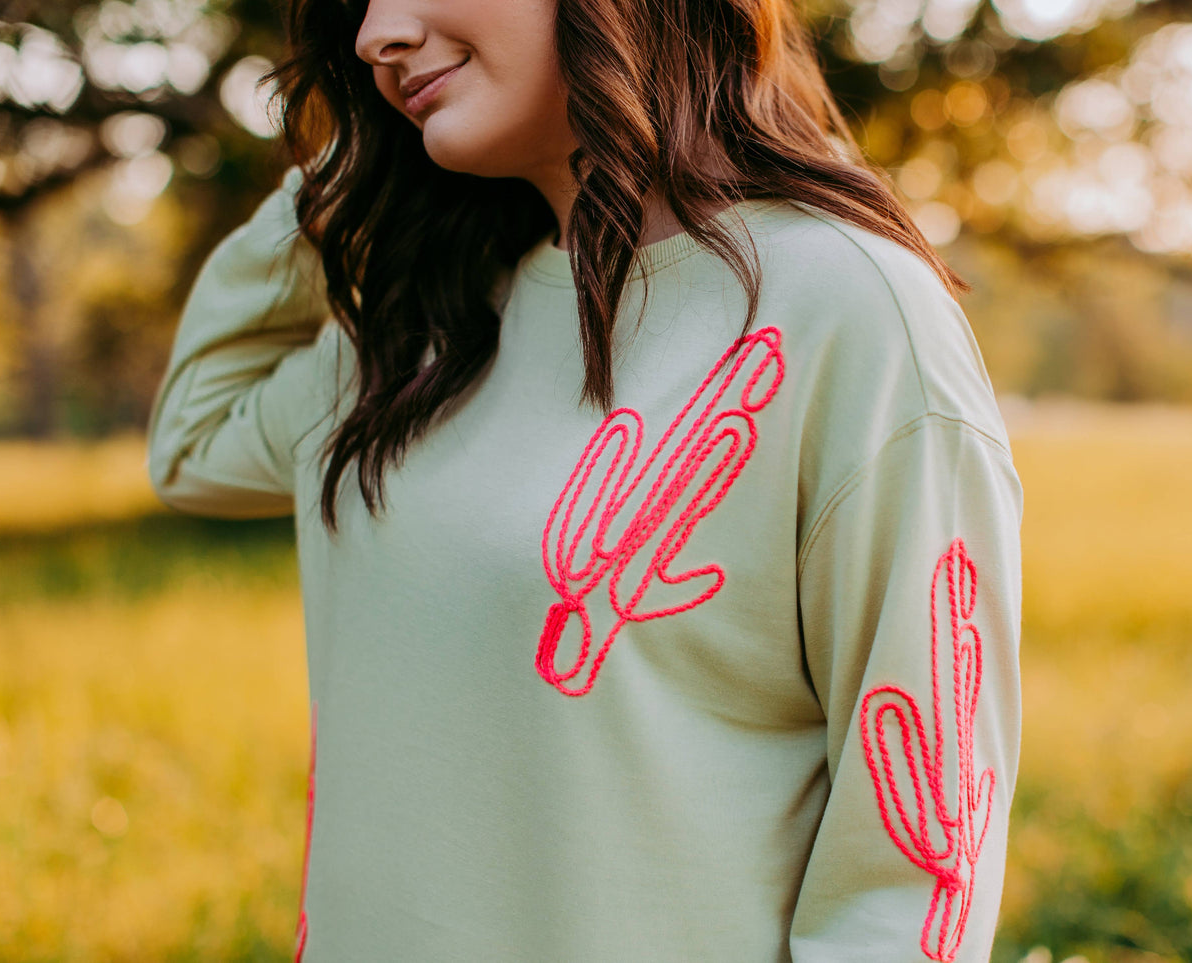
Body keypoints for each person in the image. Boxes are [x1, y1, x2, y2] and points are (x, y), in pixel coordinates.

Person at [144, 0, 1025, 959]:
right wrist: (347, 174)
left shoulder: (845, 306)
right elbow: (194, 444)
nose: (374, 37)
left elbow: (909, 882)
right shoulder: (423, 325)